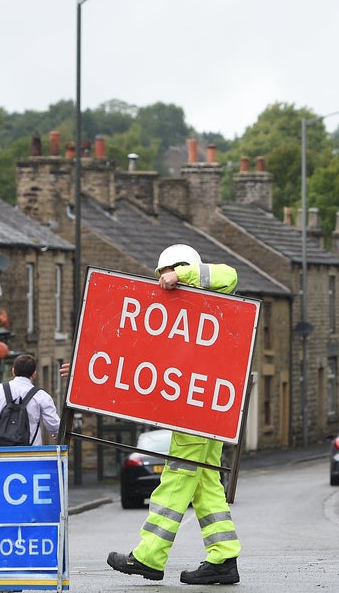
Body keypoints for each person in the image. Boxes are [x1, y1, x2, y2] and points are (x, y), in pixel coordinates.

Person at [106, 244, 243, 586]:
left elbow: (230, 274)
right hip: (202, 408)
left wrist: (180, 275)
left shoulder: (214, 292)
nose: (164, 281)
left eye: (167, 273)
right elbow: (137, 355)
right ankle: (224, 557)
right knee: (207, 484)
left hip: (201, 408)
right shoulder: (173, 314)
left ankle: (150, 557)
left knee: (176, 478)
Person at [0, 353, 60, 447]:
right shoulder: (41, 396)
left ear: (13, 371)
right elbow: (54, 425)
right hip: (30, 455)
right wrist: (57, 434)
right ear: (34, 374)